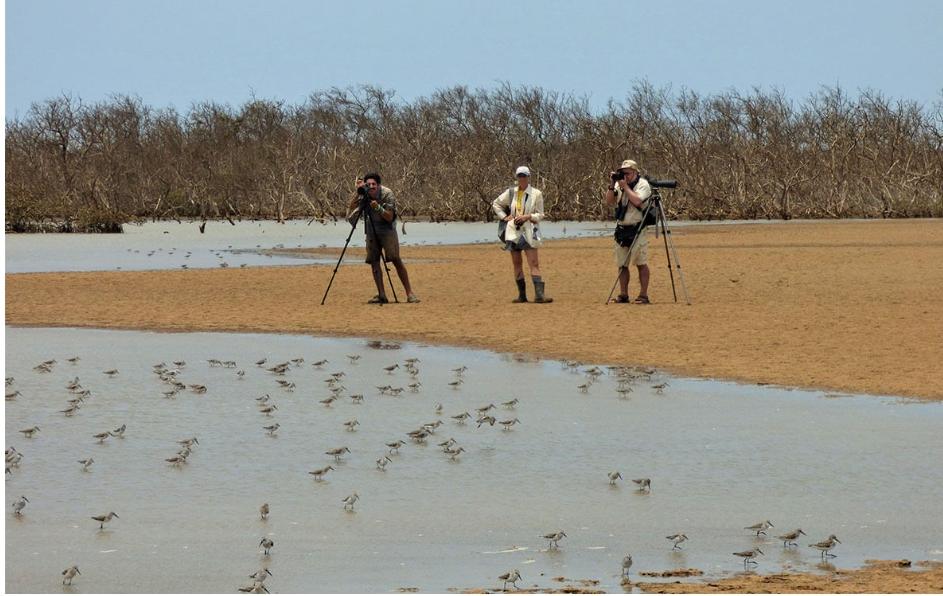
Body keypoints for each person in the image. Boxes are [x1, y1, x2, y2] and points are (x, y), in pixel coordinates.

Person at [346, 173, 419, 304]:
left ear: (378, 185)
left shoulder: (387, 193)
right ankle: (382, 295)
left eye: (374, 184)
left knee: (395, 258)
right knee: (374, 260)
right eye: (368, 185)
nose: (371, 187)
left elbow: (389, 217)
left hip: (387, 228)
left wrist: (378, 208)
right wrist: (358, 193)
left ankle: (410, 293)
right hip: (371, 227)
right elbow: (350, 209)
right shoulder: (363, 193)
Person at [492, 166, 552, 303]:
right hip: (513, 231)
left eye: (524, 176)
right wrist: (504, 217)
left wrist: (528, 216)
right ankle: (522, 295)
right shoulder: (511, 192)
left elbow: (541, 214)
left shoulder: (536, 193)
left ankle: (539, 295)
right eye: (519, 176)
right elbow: (496, 204)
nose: (522, 178)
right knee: (517, 263)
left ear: (528, 177)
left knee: (533, 262)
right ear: (517, 177)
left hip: (529, 230)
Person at [605, 159, 653, 304]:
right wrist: (612, 185)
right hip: (621, 228)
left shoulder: (643, 184)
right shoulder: (619, 185)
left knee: (640, 262)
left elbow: (638, 201)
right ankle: (623, 294)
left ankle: (643, 295)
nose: (624, 175)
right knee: (622, 263)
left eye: (627, 173)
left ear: (635, 172)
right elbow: (609, 201)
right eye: (622, 173)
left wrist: (625, 187)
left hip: (637, 227)